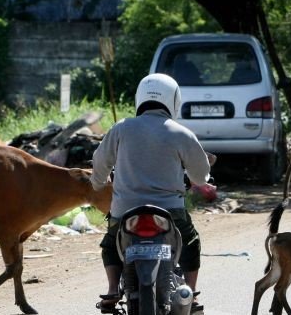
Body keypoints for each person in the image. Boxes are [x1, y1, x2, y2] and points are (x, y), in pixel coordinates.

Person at [91, 73, 215, 313]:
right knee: (190, 241)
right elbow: (201, 177)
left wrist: (97, 183)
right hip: (171, 213)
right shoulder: (181, 133)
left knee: (110, 244)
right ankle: (191, 294)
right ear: (174, 100)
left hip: (124, 211)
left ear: (140, 98)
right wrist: (199, 180)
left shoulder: (121, 128)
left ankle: (111, 289)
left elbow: (100, 163)